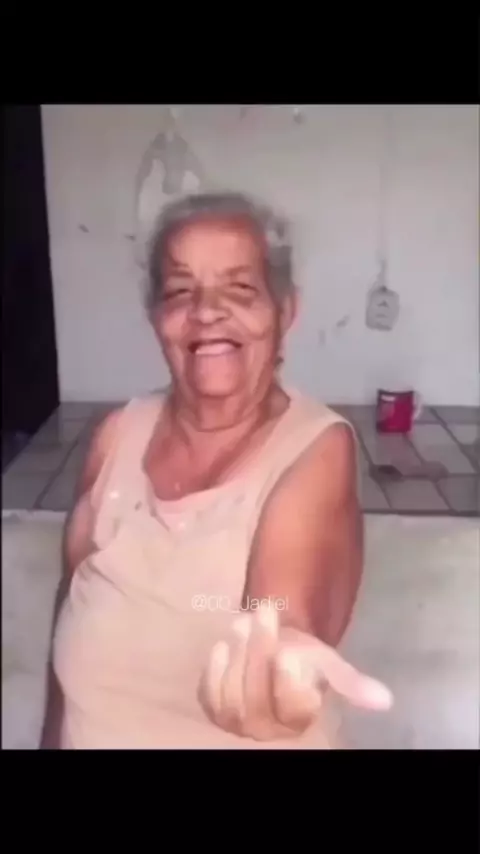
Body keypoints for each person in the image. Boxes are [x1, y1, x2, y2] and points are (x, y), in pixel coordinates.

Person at [40, 191, 392, 749]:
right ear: (156, 317)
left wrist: (274, 671)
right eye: (180, 291)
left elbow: (281, 611)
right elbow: (71, 600)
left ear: (285, 312)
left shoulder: (317, 449)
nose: (206, 311)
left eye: (240, 289)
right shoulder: (117, 435)